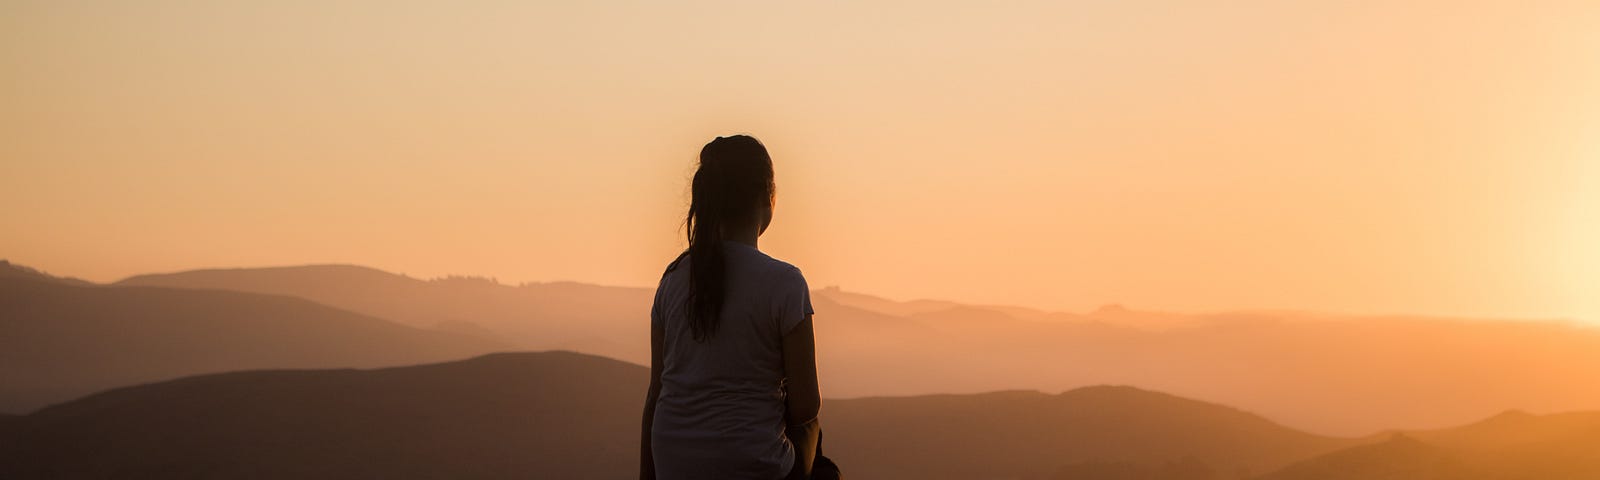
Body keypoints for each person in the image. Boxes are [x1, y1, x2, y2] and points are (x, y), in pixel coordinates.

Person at [640, 135, 841, 480]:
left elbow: (656, 395)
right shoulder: (785, 283)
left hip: (674, 464)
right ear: (767, 196)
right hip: (752, 466)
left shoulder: (672, 280)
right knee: (815, 436)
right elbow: (806, 404)